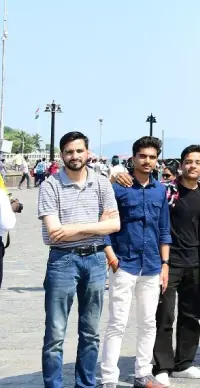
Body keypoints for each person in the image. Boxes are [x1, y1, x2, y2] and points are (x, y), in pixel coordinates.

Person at [39, 132, 120, 388]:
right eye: (69, 152)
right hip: (62, 261)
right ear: (62, 155)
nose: (74, 156)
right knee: (55, 334)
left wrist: (73, 229)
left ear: (88, 152)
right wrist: (98, 226)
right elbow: (54, 232)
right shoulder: (50, 185)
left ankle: (86, 384)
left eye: (79, 151)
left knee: (90, 333)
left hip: (96, 260)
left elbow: (115, 225)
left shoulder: (101, 183)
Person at [101, 137, 173, 388]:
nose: (147, 161)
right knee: (117, 323)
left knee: (148, 322)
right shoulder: (119, 188)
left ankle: (143, 373)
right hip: (125, 263)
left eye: (152, 157)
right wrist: (111, 256)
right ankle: (108, 378)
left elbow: (164, 230)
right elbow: (106, 226)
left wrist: (165, 265)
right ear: (133, 158)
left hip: (153, 265)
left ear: (157, 160)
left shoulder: (160, 190)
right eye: (142, 156)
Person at [152, 145, 200, 383]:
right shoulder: (167, 191)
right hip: (169, 262)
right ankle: (162, 366)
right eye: (188, 161)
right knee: (164, 315)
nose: (192, 166)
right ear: (181, 165)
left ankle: (183, 363)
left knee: (191, 314)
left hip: (195, 262)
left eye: (197, 162)